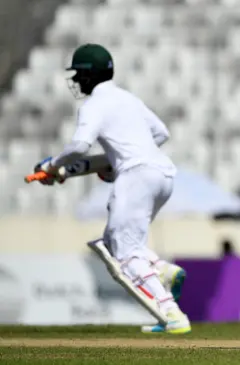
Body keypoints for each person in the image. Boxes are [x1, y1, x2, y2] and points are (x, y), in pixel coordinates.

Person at [33, 43, 190, 334]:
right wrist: (113, 160)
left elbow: (79, 146)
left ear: (89, 76)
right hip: (163, 174)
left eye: (78, 75)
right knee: (122, 240)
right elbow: (161, 133)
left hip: (137, 177)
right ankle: (162, 270)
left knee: (123, 253)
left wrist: (53, 166)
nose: (76, 81)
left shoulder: (93, 105)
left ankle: (171, 313)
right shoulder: (127, 98)